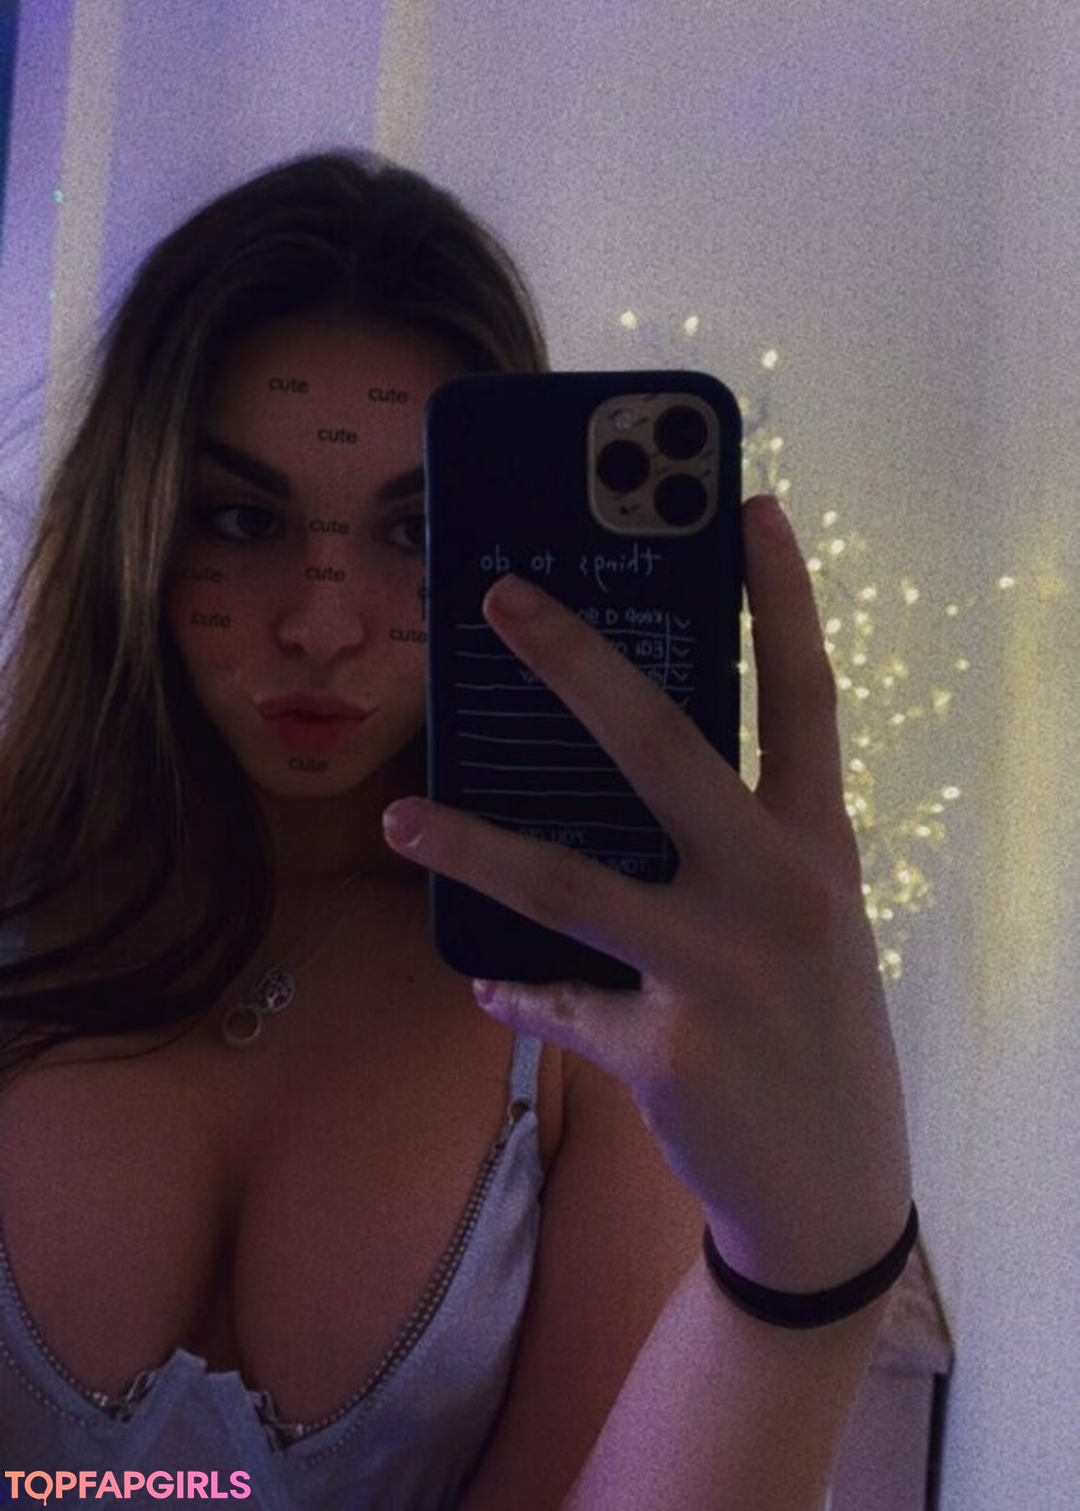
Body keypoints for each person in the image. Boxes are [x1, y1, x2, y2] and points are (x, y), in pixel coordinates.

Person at [0, 151, 914, 1509]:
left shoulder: (588, 1008)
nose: (322, 624)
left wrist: (817, 1263)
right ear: (132, 526)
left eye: (417, 532)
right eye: (241, 517)